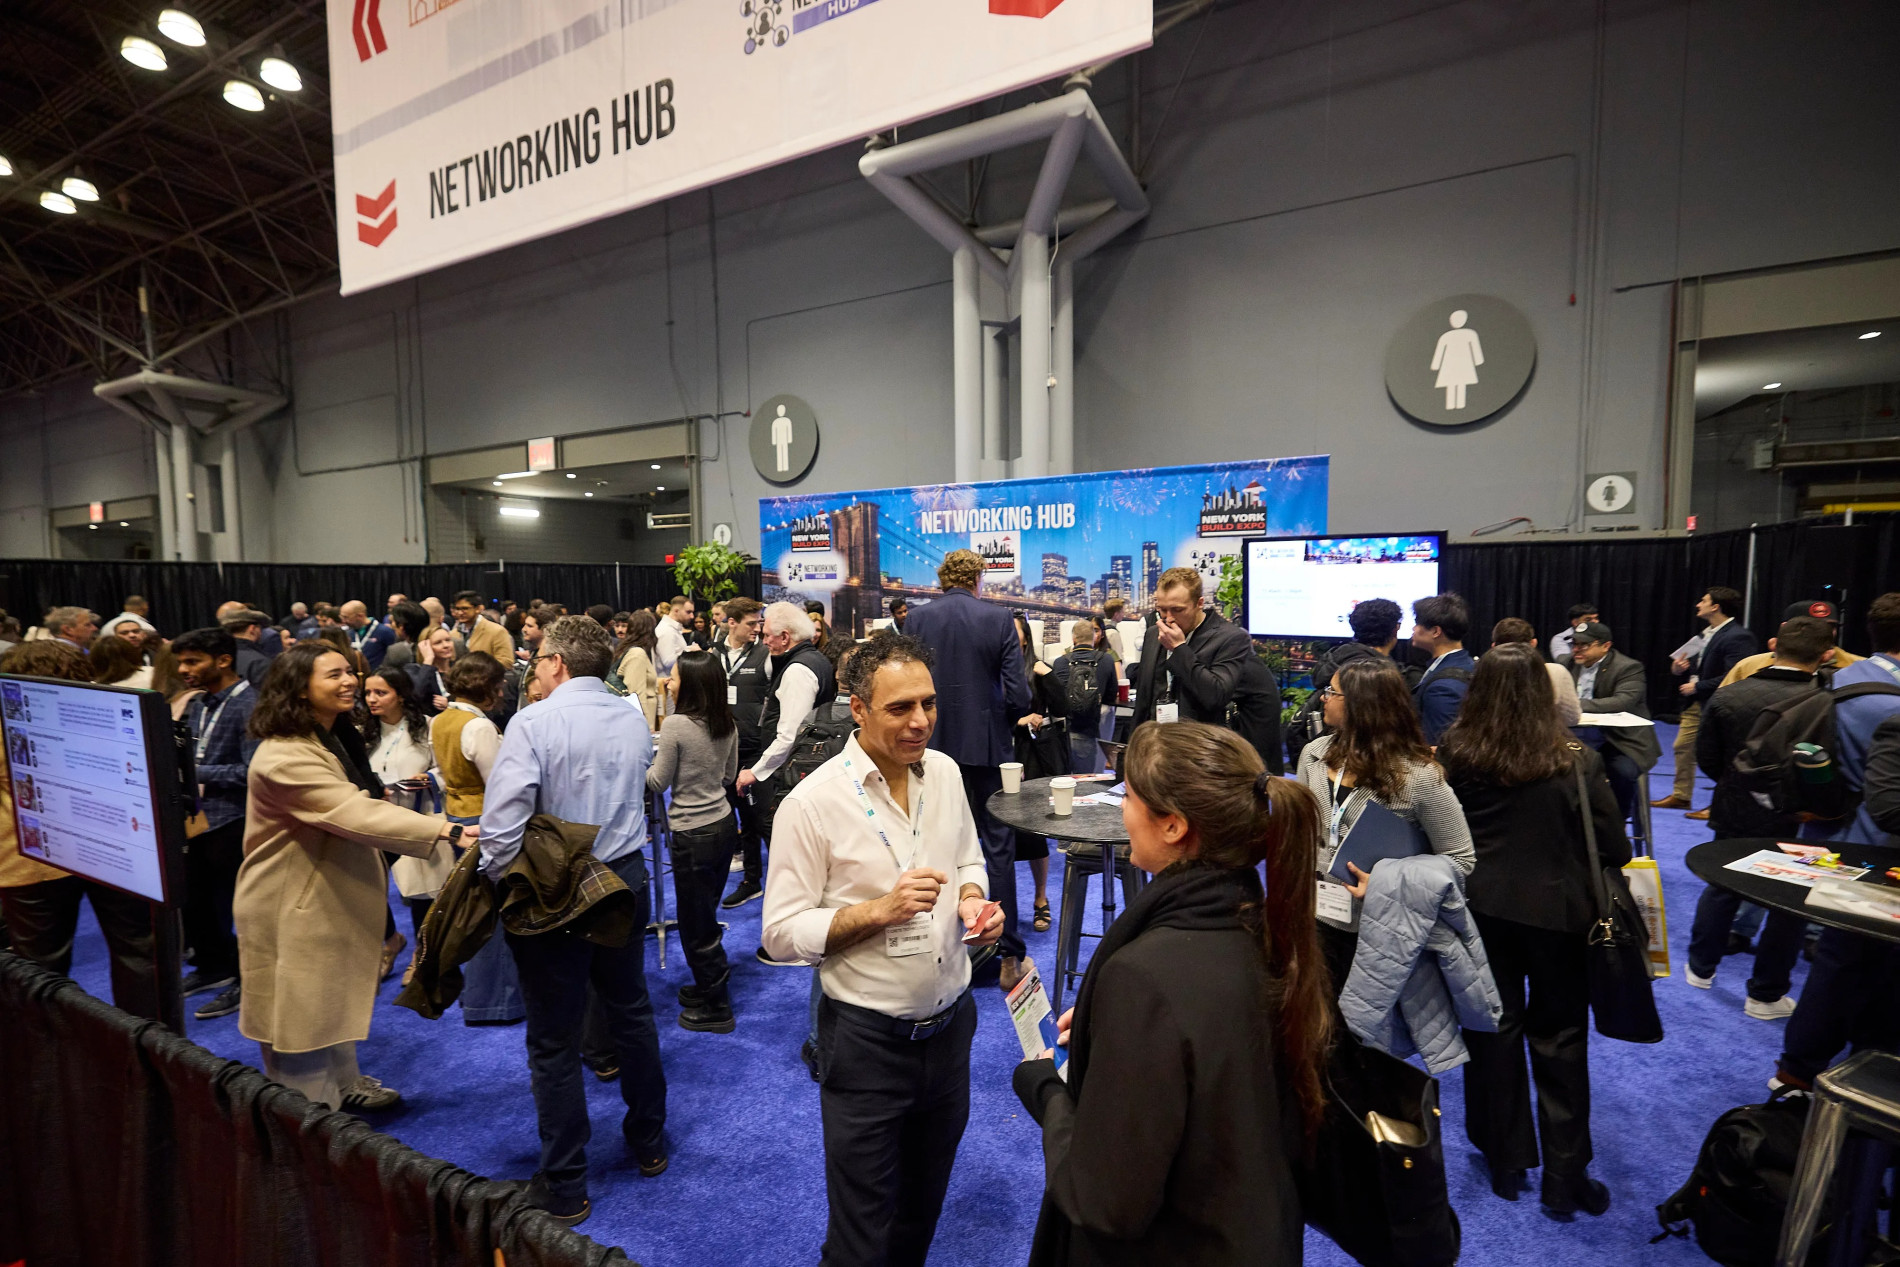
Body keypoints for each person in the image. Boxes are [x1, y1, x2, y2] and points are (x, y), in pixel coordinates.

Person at [1013, 720, 1327, 1265]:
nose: (1122, 811)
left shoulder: (1144, 978)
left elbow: (1105, 1201)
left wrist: (1045, 1090)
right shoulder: (1268, 927)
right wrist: (1117, 1029)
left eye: (1128, 797)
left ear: (1174, 826)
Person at [760, 631, 1003, 1267]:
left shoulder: (945, 773)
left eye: (928, 703)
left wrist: (973, 900)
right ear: (858, 709)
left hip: (951, 1033)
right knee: (861, 1235)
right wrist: (878, 911)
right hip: (866, 1044)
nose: (920, 721)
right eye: (900, 708)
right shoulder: (811, 804)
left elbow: (968, 858)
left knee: (921, 1212)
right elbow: (779, 934)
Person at [479, 615, 668, 1224]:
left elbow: (501, 830)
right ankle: (650, 1143)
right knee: (630, 1013)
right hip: (625, 877)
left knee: (554, 1038)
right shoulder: (631, 716)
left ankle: (565, 1183)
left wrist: (496, 880)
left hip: (556, 886)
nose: (534, 669)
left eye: (538, 659)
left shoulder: (533, 722)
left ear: (557, 663)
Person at [1439, 643, 1626, 1214]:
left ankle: (1505, 1160)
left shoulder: (1457, 752)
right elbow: (1613, 846)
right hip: (1559, 914)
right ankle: (1565, 1177)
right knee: (1561, 1038)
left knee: (1491, 1031)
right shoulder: (1575, 758)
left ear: (1478, 690)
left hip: (1479, 911)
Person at [235, 642, 460, 1111]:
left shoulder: (327, 735)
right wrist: (445, 829)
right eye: (333, 675)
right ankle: (311, 1127)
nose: (349, 682)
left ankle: (345, 1086)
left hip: (321, 892)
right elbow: (352, 811)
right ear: (299, 689)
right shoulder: (284, 756)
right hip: (290, 902)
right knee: (298, 1025)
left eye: (348, 672)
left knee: (327, 1005)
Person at [1774, 593, 1900, 1088]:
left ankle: (1796, 1073)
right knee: (1863, 966)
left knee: (1837, 961)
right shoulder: (1891, 703)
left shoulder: (1835, 679)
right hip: (1877, 849)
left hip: (1826, 833)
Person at [0, 642, 163, 1020]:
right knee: (140, 953)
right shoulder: (108, 710)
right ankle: (151, 1047)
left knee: (39, 970)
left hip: (29, 856)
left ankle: (49, 1051)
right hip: (116, 848)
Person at [1685, 615, 1832, 1017]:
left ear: (1772, 645)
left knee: (1722, 885)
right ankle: (1765, 995)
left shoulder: (1728, 695)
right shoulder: (1828, 702)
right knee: (1790, 900)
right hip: (1800, 815)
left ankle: (1699, 968)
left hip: (1735, 803)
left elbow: (1708, 757)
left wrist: (1739, 784)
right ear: (1826, 655)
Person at [1296, 657, 1474, 986]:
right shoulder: (1314, 755)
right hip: (1316, 914)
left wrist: (1388, 883)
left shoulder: (1419, 777)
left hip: (1384, 926)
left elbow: (1460, 859)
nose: (1323, 698)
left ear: (1360, 705)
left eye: (1331, 692)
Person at [900, 549, 1032, 986]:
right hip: (988, 749)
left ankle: (935, 949)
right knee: (998, 849)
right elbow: (1019, 695)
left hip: (928, 747)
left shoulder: (916, 619)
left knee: (930, 845)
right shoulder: (999, 618)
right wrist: (1000, 719)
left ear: (942, 580)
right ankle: (1008, 956)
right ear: (978, 579)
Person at [648, 651, 741, 1032]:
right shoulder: (727, 722)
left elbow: (657, 782)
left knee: (696, 924)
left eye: (673, 677)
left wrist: (636, 762)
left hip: (693, 833)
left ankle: (717, 1006)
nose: (668, 683)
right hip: (723, 825)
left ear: (690, 685)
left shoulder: (676, 725)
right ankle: (708, 986)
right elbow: (729, 776)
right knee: (704, 915)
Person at [172, 626, 261, 1021]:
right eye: (181, 662)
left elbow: (254, 770)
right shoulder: (200, 702)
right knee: (197, 901)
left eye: (193, 661)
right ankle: (213, 966)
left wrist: (194, 772)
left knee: (242, 908)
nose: (183, 670)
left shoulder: (250, 705)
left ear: (223, 661)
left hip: (234, 821)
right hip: (197, 819)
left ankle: (248, 981)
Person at [431, 652, 523, 1025]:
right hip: (485, 823)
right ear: (487, 686)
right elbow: (500, 785)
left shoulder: (440, 720)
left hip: (457, 818)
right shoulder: (479, 727)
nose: (501, 693)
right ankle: (496, 1002)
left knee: (474, 909)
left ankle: (478, 994)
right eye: (498, 686)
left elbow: (441, 774)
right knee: (494, 913)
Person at [738, 603, 837, 936]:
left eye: (767, 635)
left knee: (788, 852)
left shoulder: (797, 671)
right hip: (804, 770)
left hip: (792, 775)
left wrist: (756, 771)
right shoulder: (814, 659)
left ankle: (795, 928)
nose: (763, 640)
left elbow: (789, 735)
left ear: (784, 636)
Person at [363, 667, 445, 980]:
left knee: (421, 890)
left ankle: (421, 953)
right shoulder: (363, 733)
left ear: (400, 695)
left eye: (380, 693)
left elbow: (446, 769)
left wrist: (430, 778)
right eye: (368, 693)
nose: (372, 699)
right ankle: (391, 940)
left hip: (419, 818)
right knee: (368, 887)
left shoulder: (428, 727)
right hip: (375, 821)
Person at [1654, 586, 1757, 815]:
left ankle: (1721, 804)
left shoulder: (1738, 636)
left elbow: (1736, 675)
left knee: (1719, 754)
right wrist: (1678, 668)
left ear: (1715, 607)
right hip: (1695, 703)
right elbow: (1693, 667)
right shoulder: (1704, 634)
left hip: (1719, 704)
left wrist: (1698, 686)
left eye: (1703, 601)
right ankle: (1681, 796)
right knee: (1682, 746)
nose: (1698, 605)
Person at [1127, 567, 1256, 738]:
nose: (1168, 618)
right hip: (1155, 741)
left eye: (1178, 610)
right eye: (1162, 610)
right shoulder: (1153, 634)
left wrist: (1179, 649)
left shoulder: (1231, 638)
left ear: (1199, 603)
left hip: (1198, 744)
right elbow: (1143, 701)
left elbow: (1216, 696)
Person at [1559, 622, 1662, 820]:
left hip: (1619, 739)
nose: (1576, 649)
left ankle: (1614, 822)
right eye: (1574, 644)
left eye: (1583, 645)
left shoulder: (1628, 667)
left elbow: (1622, 701)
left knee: (1623, 772)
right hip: (1573, 737)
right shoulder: (1565, 664)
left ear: (1605, 646)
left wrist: (1573, 704)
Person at [1011, 613, 1070, 935]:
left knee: (1033, 832)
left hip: (1032, 757)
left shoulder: (1036, 668)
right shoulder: (994, 669)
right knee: (1001, 836)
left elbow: (1062, 708)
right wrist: (1018, 721)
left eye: (1014, 631)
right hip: (1001, 756)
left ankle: (1040, 898)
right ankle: (1004, 901)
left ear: (1025, 638)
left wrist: (1048, 675)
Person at [717, 598, 773, 907]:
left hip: (755, 750)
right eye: (751, 623)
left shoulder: (765, 655)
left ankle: (776, 882)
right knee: (733, 817)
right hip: (723, 750)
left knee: (760, 819)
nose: (757, 629)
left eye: (759, 623)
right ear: (732, 622)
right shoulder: (714, 654)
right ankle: (750, 880)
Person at [1720, 600, 1865, 686]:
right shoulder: (1748, 666)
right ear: (1784, 627)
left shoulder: (1861, 667)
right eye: (1809, 626)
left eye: (1829, 627)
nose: (1821, 632)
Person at [1052, 619, 1119, 775]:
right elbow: (1110, 696)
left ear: (1073, 638)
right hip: (1088, 732)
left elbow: (1055, 698)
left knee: (1062, 780)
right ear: (1094, 637)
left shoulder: (1060, 663)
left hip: (1061, 735)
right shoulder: (1106, 660)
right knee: (1083, 780)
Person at [1410, 593, 1476, 742]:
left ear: (1435, 631)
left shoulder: (1443, 688)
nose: (1413, 628)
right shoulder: (1467, 663)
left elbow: (1441, 746)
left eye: (1417, 623)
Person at [1490, 617, 1580, 724]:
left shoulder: (1483, 671)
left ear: (1494, 646)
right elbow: (1572, 718)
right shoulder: (1557, 672)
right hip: (1543, 734)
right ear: (1533, 643)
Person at [613, 609, 662, 730]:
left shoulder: (628, 650)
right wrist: (646, 727)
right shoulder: (637, 654)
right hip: (640, 724)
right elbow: (637, 695)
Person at [452, 590, 515, 663]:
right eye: (457, 609)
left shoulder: (497, 631)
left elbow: (506, 661)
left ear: (478, 609)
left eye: (465, 608)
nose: (460, 613)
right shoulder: (453, 634)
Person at [221, 609, 274, 687]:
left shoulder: (219, 657)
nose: (261, 633)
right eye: (260, 629)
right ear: (252, 629)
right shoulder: (259, 662)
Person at [339, 600, 396, 669]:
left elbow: (394, 657)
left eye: (346, 617)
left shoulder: (385, 632)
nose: (343, 621)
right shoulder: (348, 633)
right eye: (342, 617)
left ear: (360, 616)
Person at [379, 601, 431, 672]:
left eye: (393, 621)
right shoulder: (433, 646)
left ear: (401, 627)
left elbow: (383, 675)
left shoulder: (397, 651)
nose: (391, 625)